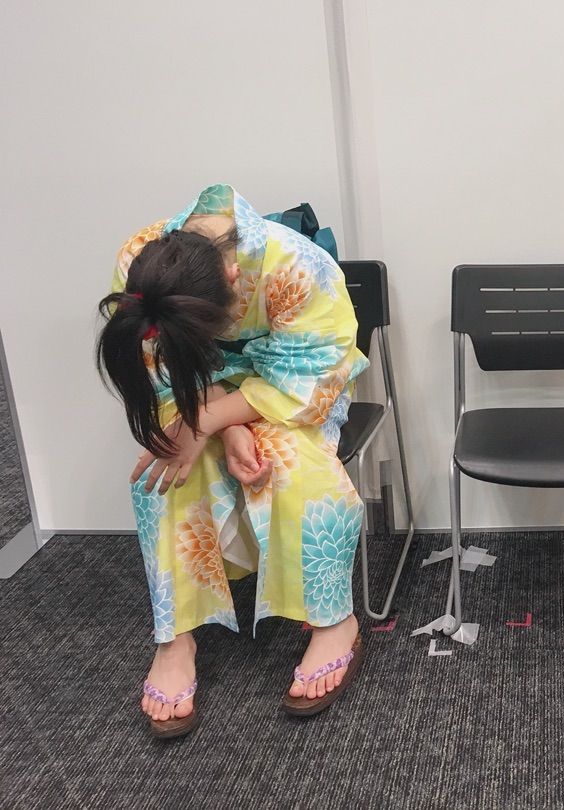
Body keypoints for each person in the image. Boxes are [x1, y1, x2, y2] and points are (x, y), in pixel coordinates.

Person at [97, 184, 368, 738]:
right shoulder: (139, 265)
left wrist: (214, 421)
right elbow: (158, 368)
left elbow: (308, 380)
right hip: (192, 391)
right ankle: (175, 638)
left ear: (232, 277)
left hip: (290, 391)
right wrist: (222, 422)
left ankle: (333, 621)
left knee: (288, 459)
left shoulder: (299, 266)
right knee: (166, 471)